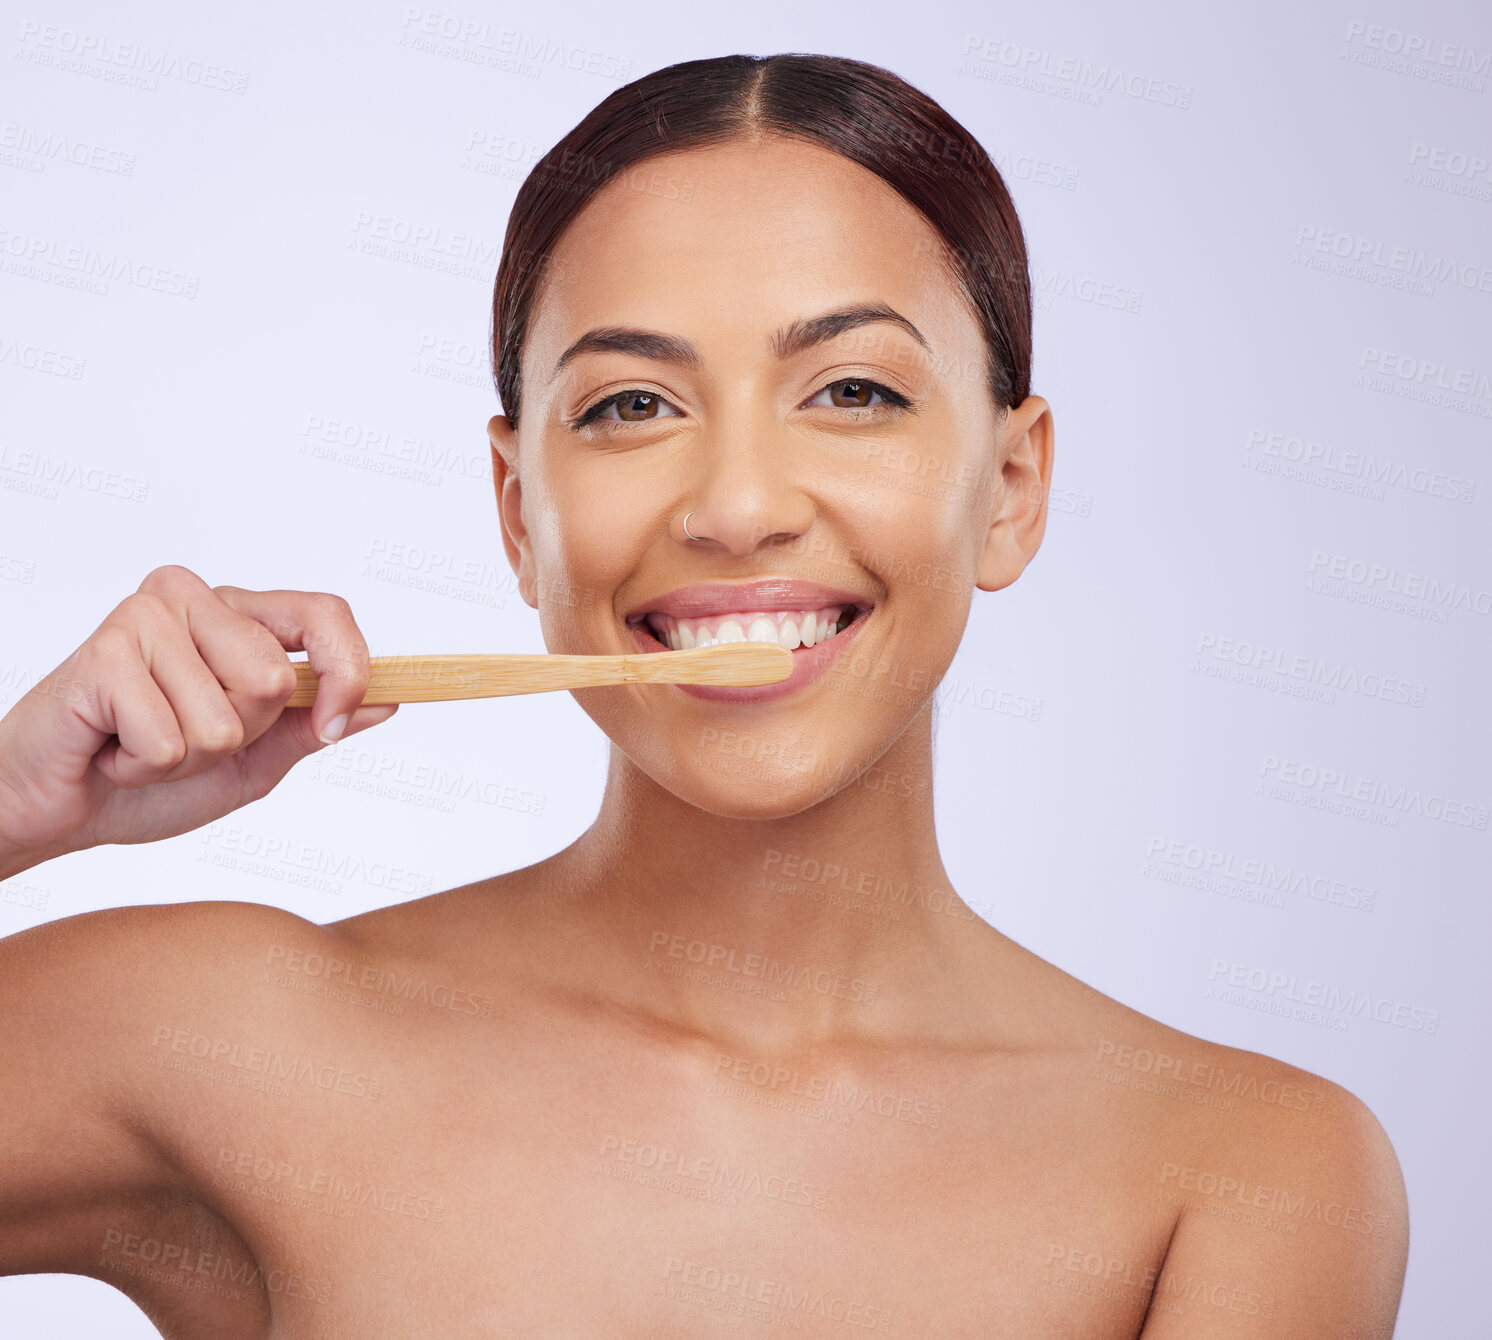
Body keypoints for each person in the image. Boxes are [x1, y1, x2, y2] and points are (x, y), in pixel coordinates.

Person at [0, 53, 1406, 1337]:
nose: (738, 507)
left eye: (853, 391)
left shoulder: (1247, 1170)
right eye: (631, 407)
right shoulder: (230, 1039)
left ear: (1011, 491)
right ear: (515, 511)